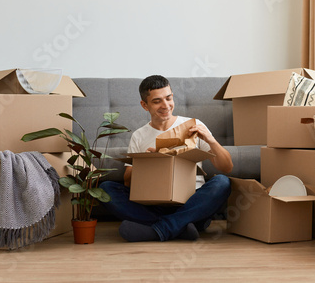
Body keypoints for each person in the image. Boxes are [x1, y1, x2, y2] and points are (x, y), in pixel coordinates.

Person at [100, 75, 233, 242]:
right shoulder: (139, 136)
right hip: (155, 203)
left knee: (222, 182)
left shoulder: (194, 125)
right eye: (157, 101)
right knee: (106, 188)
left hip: (192, 201)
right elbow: (127, 181)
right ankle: (181, 225)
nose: (165, 106)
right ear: (144, 105)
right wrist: (145, 163)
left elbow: (227, 167)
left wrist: (211, 140)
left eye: (169, 98)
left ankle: (160, 228)